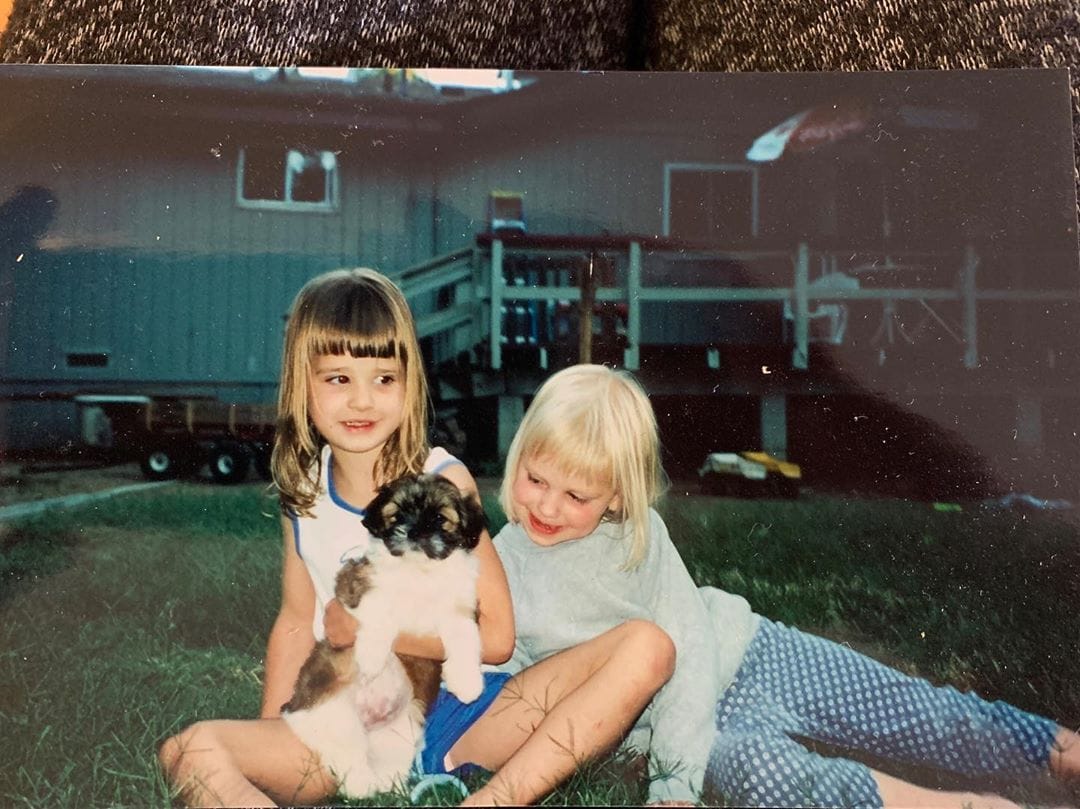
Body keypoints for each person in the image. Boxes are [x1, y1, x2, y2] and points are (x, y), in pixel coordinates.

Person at [449, 364, 1080, 807]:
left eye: (576, 494)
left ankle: (1054, 750)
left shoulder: (638, 539)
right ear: (517, 457)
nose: (548, 507)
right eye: (535, 479)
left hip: (745, 654)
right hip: (670, 728)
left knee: (908, 708)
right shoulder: (500, 562)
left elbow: (688, 649)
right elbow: (528, 691)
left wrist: (673, 781)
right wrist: (671, 776)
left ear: (617, 496)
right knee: (770, 778)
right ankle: (963, 806)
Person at [157, 267, 516, 807]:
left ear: (409, 383)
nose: (363, 401)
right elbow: (298, 618)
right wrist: (275, 729)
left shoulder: (441, 483)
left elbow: (497, 637)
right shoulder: (303, 490)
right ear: (303, 383)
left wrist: (368, 628)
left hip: (439, 708)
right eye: (338, 378)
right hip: (342, 718)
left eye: (384, 379)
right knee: (185, 751)